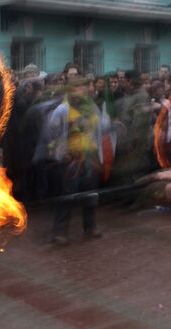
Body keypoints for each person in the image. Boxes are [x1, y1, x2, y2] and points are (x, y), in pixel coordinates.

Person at [39, 76, 109, 245]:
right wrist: (60, 151)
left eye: (85, 87)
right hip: (69, 160)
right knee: (67, 195)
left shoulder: (92, 108)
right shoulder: (63, 109)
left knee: (91, 194)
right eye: (79, 88)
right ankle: (60, 232)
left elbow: (101, 127)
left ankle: (90, 227)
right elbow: (51, 133)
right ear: (70, 91)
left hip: (89, 157)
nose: (83, 90)